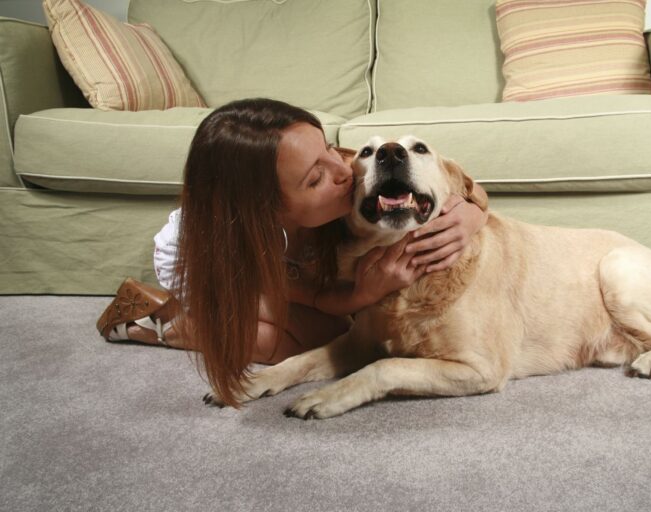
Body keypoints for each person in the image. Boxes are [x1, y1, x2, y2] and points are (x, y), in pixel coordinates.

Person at [97, 98, 488, 407]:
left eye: (330, 150)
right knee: (291, 340)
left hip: (286, 251)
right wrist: (365, 294)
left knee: (344, 334)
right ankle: (166, 322)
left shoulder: (342, 167)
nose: (341, 172)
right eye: (315, 179)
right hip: (217, 262)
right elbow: (318, 297)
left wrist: (471, 214)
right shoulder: (261, 240)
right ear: (272, 210)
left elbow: (462, 184)